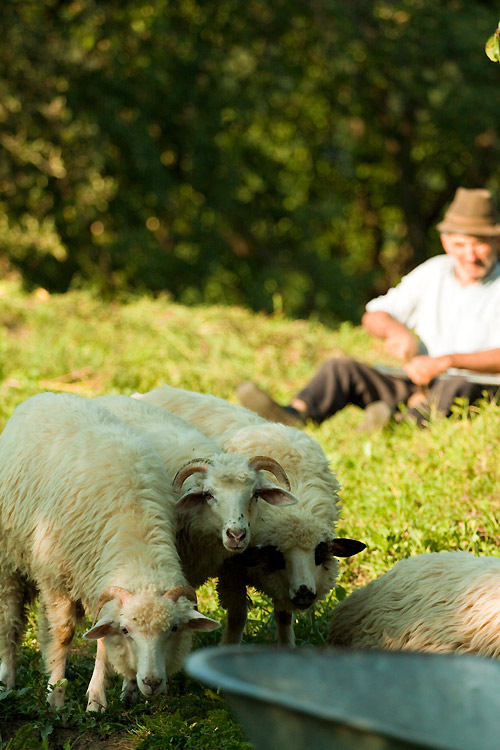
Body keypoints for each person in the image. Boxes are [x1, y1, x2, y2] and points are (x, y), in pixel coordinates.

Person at [238, 187, 500, 428]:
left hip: (477, 386)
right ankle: (294, 415)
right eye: (460, 244)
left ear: (496, 242)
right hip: (416, 380)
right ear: (446, 243)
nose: (470, 254)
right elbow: (375, 315)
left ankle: (400, 426)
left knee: (459, 383)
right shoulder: (433, 271)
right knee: (341, 369)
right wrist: (395, 331)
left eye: (479, 243)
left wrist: (446, 362)